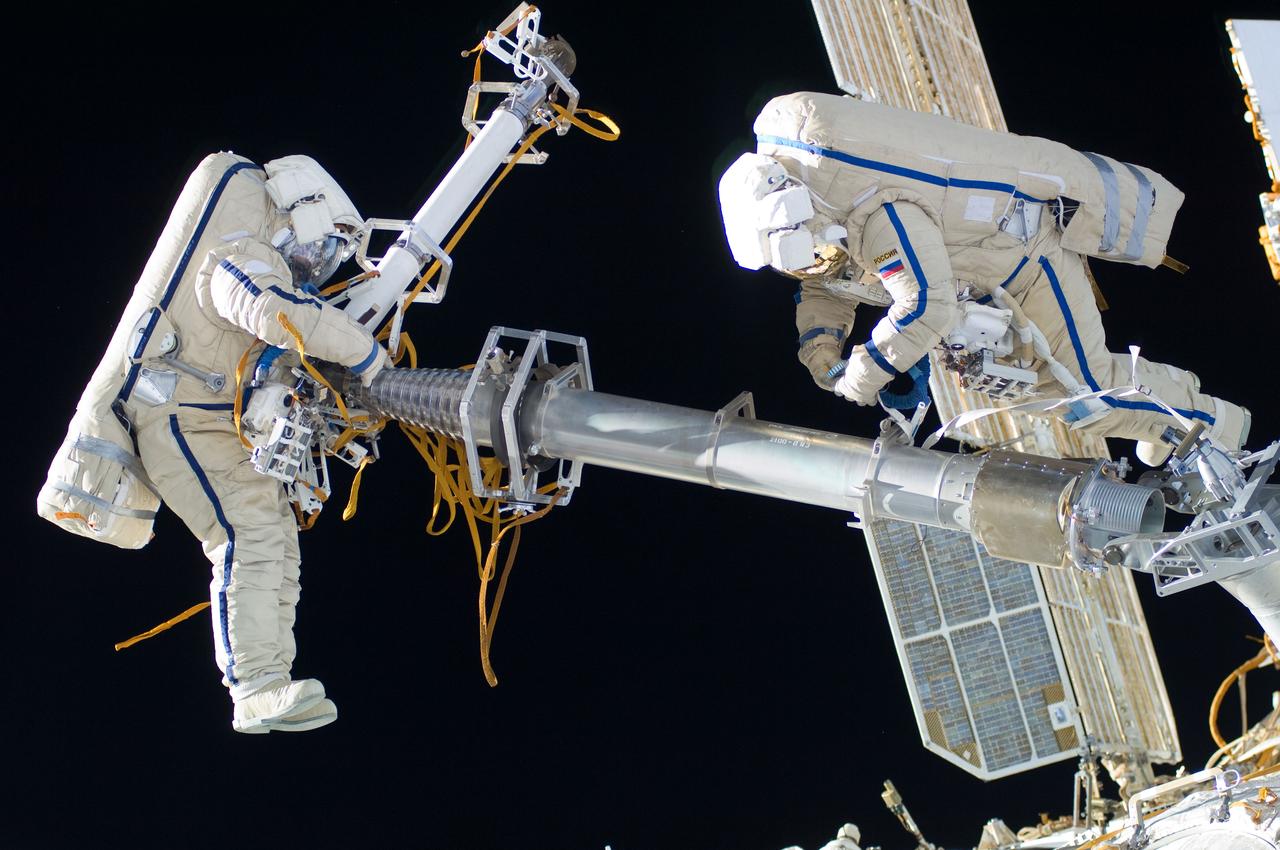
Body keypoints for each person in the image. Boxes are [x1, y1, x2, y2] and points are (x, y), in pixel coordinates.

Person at [39, 152, 387, 733]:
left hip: (209, 420)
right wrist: (367, 353)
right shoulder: (236, 253)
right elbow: (275, 311)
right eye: (320, 247)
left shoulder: (244, 248)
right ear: (299, 213)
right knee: (242, 535)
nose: (315, 265)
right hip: (176, 418)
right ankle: (253, 687)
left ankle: (270, 679)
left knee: (270, 536)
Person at [719, 92, 1250, 462]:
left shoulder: (877, 213)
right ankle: (1165, 413)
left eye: (808, 251)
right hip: (989, 277)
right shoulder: (822, 210)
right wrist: (821, 352)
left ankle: (1214, 423)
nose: (812, 262)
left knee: (1085, 396)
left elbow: (926, 306)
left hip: (1028, 258)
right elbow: (825, 284)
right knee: (1045, 393)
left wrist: (868, 369)